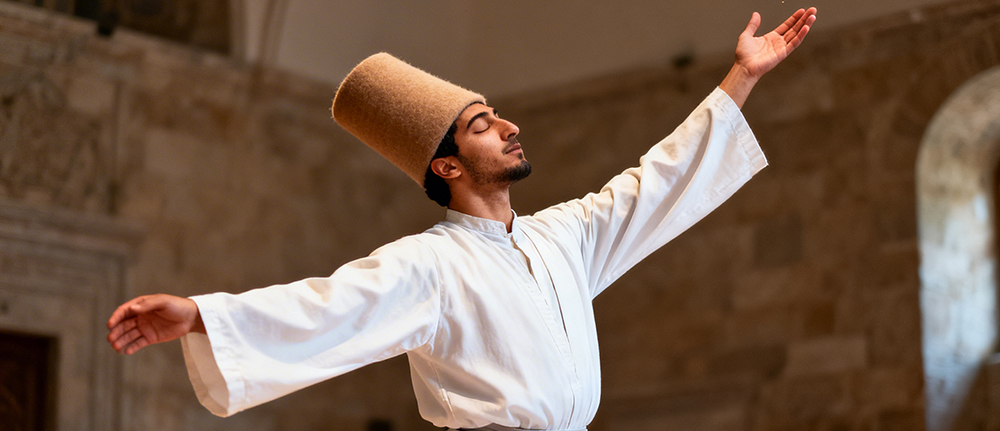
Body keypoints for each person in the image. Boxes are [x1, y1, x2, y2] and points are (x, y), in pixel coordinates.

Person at [107, 8, 817, 431]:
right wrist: (200, 313)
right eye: (482, 124)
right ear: (445, 164)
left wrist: (742, 77)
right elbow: (329, 307)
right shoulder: (431, 264)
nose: (509, 126)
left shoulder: (561, 235)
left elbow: (654, 183)